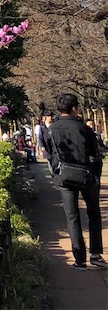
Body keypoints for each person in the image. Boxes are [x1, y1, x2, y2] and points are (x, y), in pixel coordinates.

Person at [47, 93, 104, 270]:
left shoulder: (52, 129)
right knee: (93, 214)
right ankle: (95, 254)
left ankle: (79, 259)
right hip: (86, 175)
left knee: (72, 217)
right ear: (75, 109)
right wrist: (96, 174)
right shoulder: (84, 129)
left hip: (65, 177)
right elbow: (96, 153)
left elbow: (50, 153)